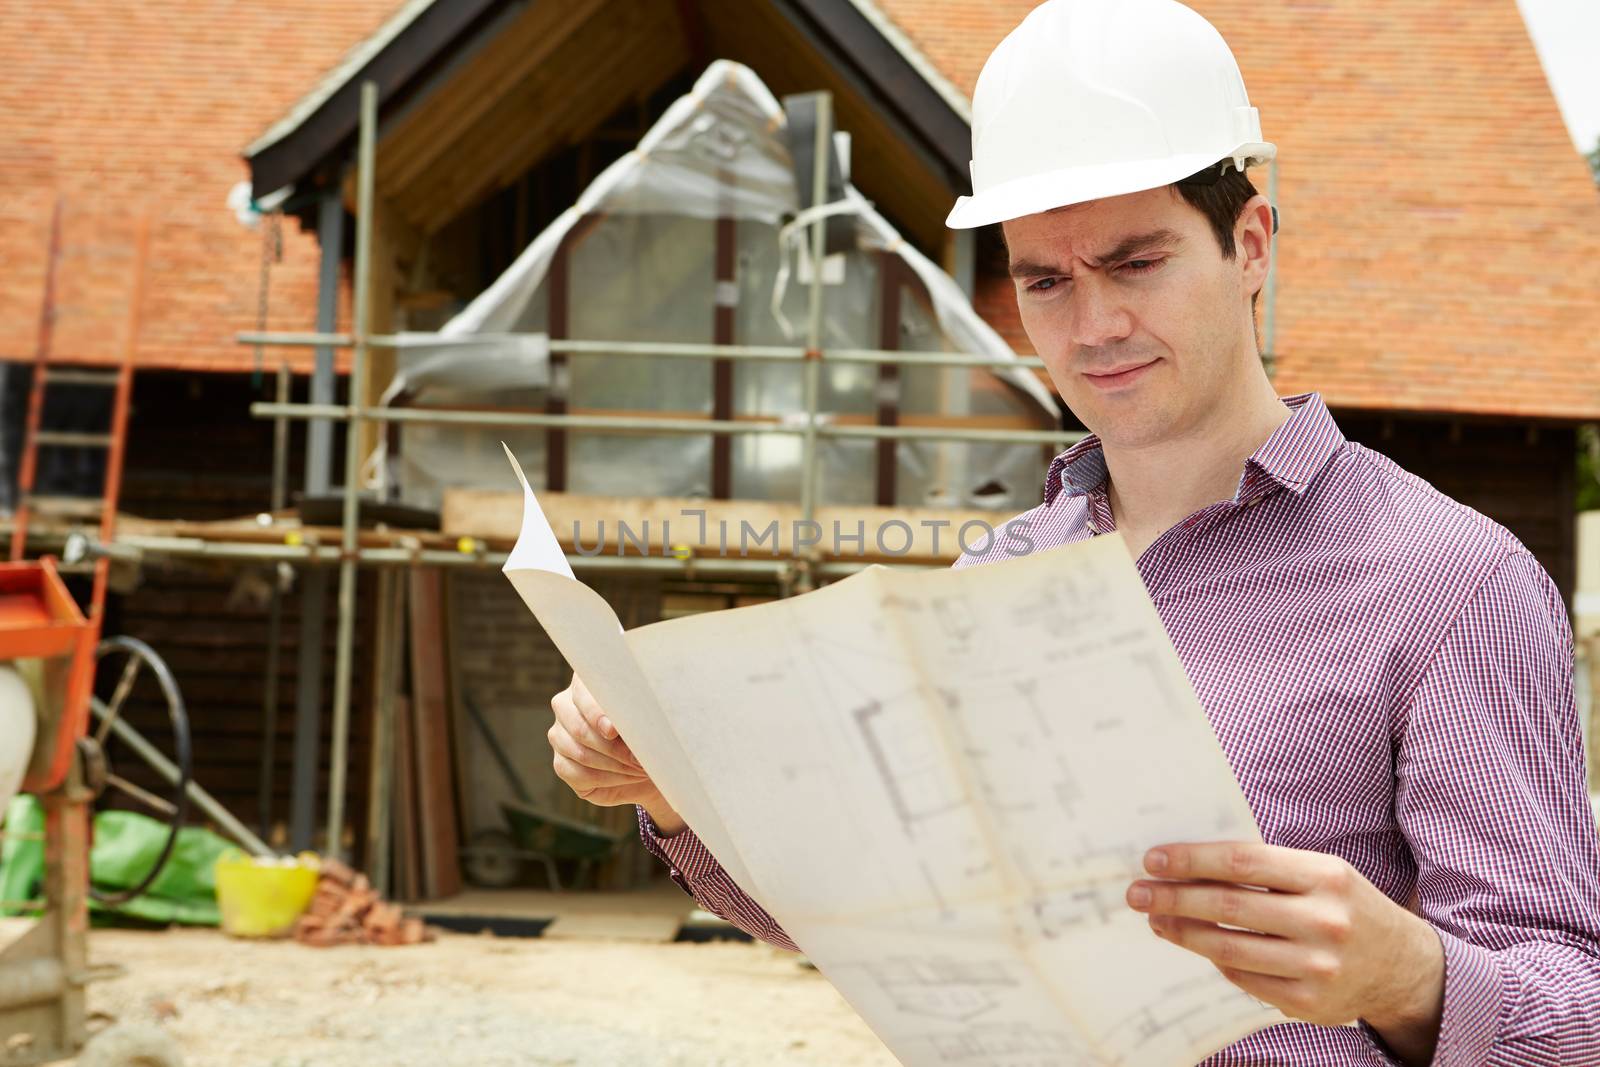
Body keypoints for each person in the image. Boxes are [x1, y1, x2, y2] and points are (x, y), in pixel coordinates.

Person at [546, 1, 1600, 1063]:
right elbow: (870, 924)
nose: (1091, 327)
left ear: (1248, 243)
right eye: (1046, 280)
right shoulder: (992, 580)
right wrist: (667, 789)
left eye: (1136, 262)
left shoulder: (1450, 581)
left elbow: (1576, 1017)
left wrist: (1405, 972)